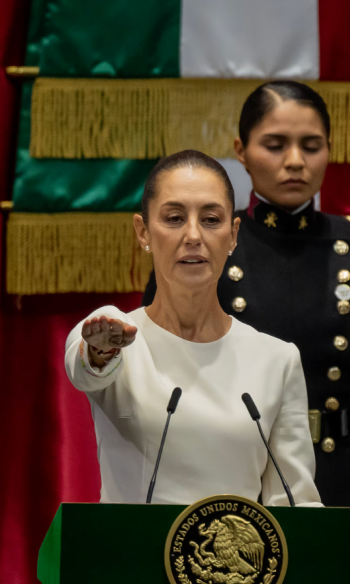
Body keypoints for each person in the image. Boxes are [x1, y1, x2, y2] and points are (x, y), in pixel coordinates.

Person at [143, 82, 350, 580]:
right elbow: (159, 382)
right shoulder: (206, 246)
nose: (295, 161)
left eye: (311, 145)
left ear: (330, 151)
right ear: (241, 152)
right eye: (275, 144)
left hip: (339, 485)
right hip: (226, 485)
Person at [64, 150, 320, 507]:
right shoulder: (116, 334)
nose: (193, 235)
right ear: (143, 231)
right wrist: (100, 351)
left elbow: (296, 503)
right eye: (174, 218)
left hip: (237, 560)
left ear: (233, 235)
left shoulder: (277, 359)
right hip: (130, 560)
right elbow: (85, 369)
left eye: (212, 220)